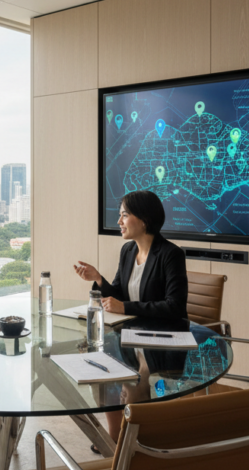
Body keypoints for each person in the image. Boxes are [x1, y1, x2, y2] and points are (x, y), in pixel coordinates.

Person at [72, 190, 188, 449]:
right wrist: (99, 279)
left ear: (144, 220)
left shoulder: (170, 255)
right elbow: (119, 295)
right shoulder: (127, 251)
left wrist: (126, 306)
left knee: (130, 382)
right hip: (130, 339)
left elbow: (175, 306)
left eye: (124, 215)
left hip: (161, 342)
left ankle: (134, 439)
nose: (119, 221)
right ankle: (116, 434)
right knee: (101, 371)